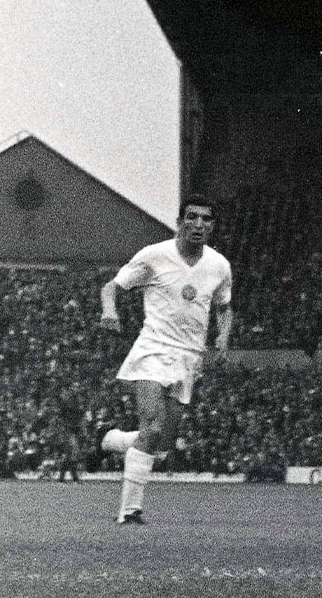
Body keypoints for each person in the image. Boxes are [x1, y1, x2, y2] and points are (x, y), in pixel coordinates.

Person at [96, 196, 233, 525]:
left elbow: (224, 307)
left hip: (189, 357)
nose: (199, 224)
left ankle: (112, 439)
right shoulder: (155, 256)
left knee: (160, 443)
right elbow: (111, 287)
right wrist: (109, 310)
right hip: (154, 349)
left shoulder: (219, 266)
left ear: (212, 226)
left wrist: (224, 335)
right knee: (153, 426)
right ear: (180, 222)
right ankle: (130, 511)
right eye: (192, 217)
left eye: (206, 219)